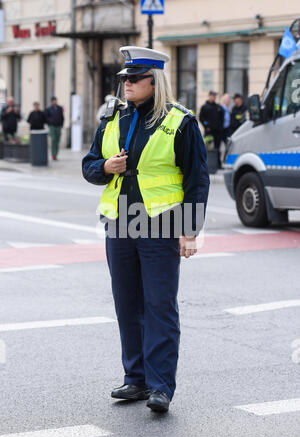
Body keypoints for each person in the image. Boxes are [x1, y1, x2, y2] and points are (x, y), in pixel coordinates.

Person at [82, 46, 210, 413]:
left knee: (159, 305)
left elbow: (197, 181)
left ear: (155, 81)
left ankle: (160, 387)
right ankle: (135, 379)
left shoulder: (180, 122)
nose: (127, 85)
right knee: (127, 304)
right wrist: (106, 167)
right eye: (124, 79)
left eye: (134, 79)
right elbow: (89, 165)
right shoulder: (111, 119)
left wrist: (189, 230)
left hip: (161, 223)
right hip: (120, 221)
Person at [45, 96, 64, 160]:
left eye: (56, 100)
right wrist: (49, 123)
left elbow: (62, 117)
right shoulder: (48, 109)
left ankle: (56, 154)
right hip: (52, 126)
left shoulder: (59, 108)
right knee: (53, 140)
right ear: (52, 101)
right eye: (54, 100)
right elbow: (46, 117)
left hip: (58, 126)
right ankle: (53, 154)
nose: (55, 102)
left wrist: (61, 124)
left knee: (57, 140)